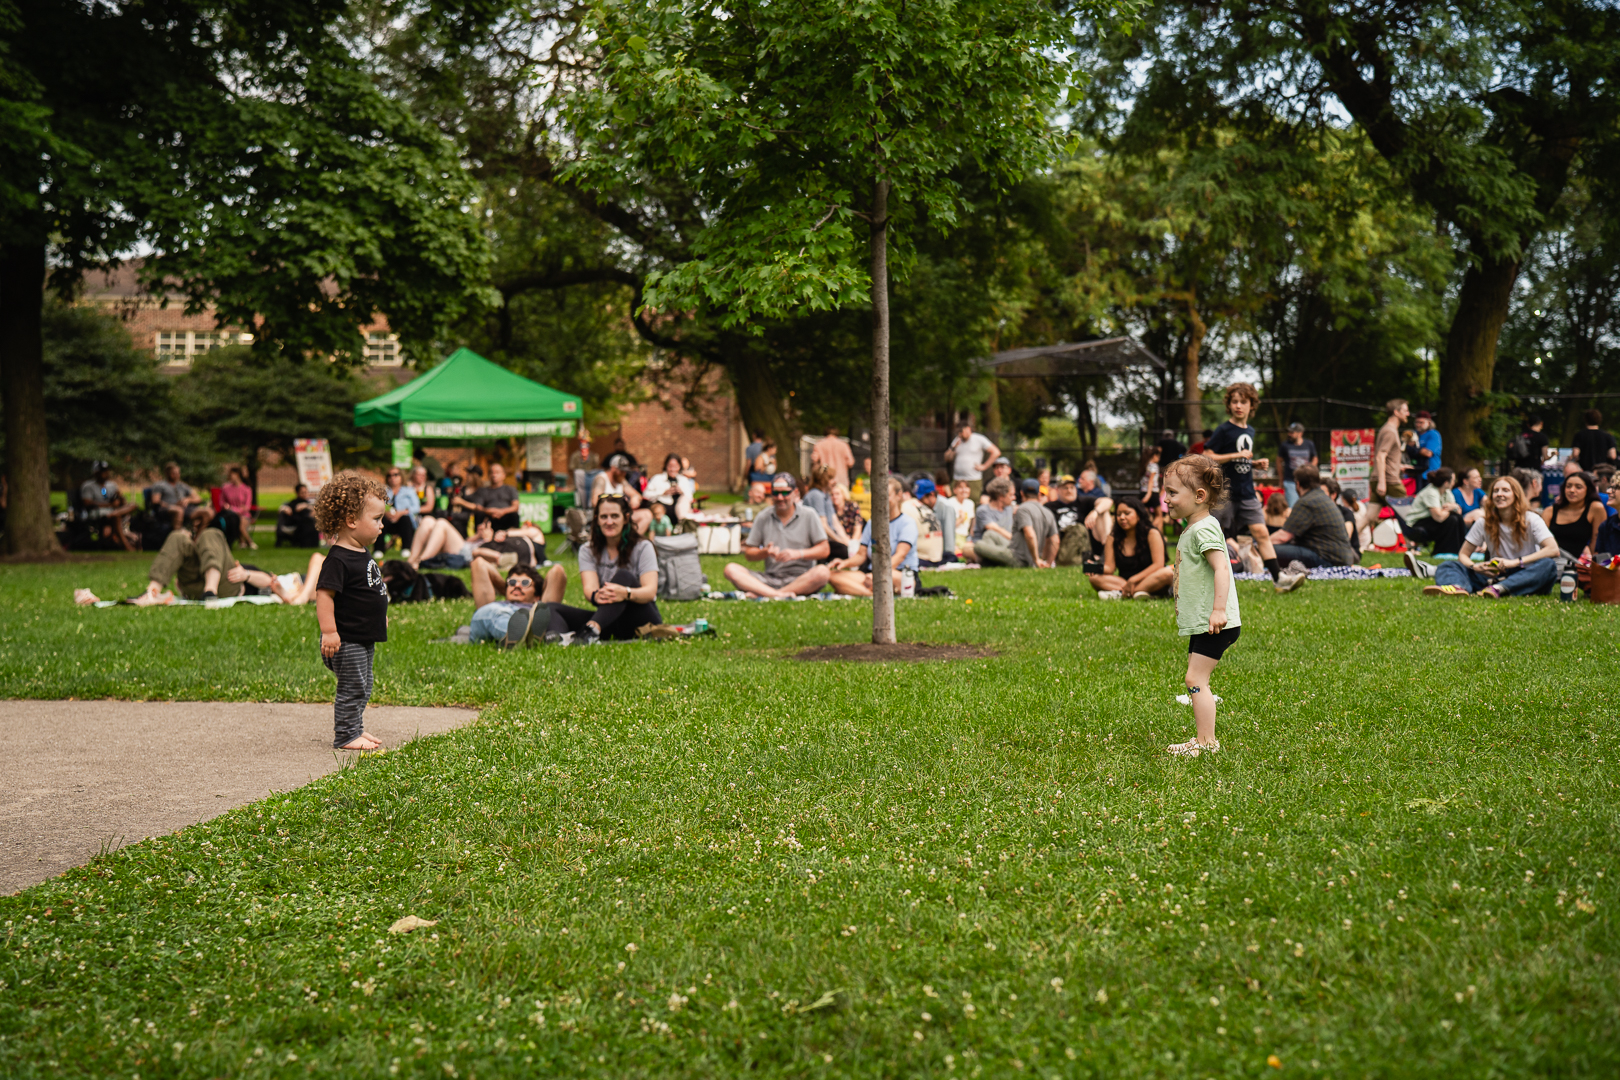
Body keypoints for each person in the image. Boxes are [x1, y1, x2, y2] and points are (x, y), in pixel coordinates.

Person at [1162, 455, 1239, 757]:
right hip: (1205, 621)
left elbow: (1222, 568)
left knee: (1195, 680)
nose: (1166, 499)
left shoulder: (1203, 529)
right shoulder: (1195, 527)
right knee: (1195, 679)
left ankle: (1207, 743)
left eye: (1171, 492)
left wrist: (1219, 610)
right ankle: (1203, 739)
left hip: (1215, 622)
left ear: (1199, 496)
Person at [312, 472, 391, 751]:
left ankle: (355, 728)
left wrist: (379, 613)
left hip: (363, 636)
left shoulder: (361, 552)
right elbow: (323, 595)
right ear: (352, 521)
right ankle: (346, 735)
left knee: (364, 686)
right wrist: (329, 632)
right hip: (345, 639)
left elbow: (368, 589)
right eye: (377, 519)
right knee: (353, 687)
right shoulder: (338, 558)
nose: (382, 525)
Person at [543, 495, 664, 644]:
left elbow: (650, 592)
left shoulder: (643, 547)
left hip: (642, 620)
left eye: (614, 516)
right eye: (604, 517)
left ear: (626, 518)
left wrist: (625, 593)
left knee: (624, 577)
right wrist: (597, 596)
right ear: (597, 519)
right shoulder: (588, 550)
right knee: (549, 608)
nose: (609, 522)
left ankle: (590, 631)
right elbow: (590, 590)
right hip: (609, 619)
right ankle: (560, 638)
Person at [1423, 476, 1558, 597]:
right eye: (1496, 491)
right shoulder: (1484, 522)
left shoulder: (1531, 519)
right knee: (1448, 565)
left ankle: (1500, 588)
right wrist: (1475, 567)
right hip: (1495, 575)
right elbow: (1463, 555)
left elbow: (1553, 549)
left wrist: (1516, 562)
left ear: (1516, 495)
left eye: (1505, 490)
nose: (1499, 494)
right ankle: (1457, 587)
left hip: (1526, 574)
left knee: (1548, 565)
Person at [1205, 382, 1283, 584]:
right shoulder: (1223, 430)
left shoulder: (1250, 431)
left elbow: (1241, 460)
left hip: (1247, 492)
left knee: (1261, 532)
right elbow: (1208, 455)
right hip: (1225, 493)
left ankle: (1279, 578)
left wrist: (1254, 463)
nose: (1238, 406)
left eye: (1243, 402)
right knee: (1212, 536)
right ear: (1229, 405)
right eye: (1234, 402)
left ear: (1252, 406)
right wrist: (1236, 455)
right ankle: (1204, 578)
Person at [724, 472, 832, 597]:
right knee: (731, 569)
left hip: (802, 578)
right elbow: (749, 553)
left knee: (823, 572)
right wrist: (765, 552)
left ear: (795, 492)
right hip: (769, 578)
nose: (780, 497)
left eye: (785, 493)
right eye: (776, 493)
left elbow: (824, 549)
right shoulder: (763, 517)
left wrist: (798, 554)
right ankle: (778, 594)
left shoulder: (809, 515)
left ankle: (770, 594)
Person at [830, 477, 918, 596]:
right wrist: (844, 563)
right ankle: (869, 593)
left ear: (899, 496)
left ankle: (857, 589)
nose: (882, 499)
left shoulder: (907, 523)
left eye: (887, 495)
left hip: (898, 573)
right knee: (831, 575)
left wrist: (879, 574)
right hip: (871, 574)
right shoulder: (872, 523)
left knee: (893, 579)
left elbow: (900, 556)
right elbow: (861, 554)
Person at [1269, 464, 1357, 581]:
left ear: (1298, 484)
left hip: (1327, 560)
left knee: (1268, 551)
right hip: (1341, 558)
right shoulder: (1322, 498)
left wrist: (1259, 544)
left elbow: (1283, 537)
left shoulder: (1306, 502)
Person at [467, 560, 568, 647]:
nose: (517, 585)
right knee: (495, 612)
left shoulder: (539, 611)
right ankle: (522, 636)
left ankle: (519, 636)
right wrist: (504, 588)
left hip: (529, 618)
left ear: (537, 596)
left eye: (525, 583)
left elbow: (557, 571)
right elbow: (478, 564)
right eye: (512, 582)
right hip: (488, 620)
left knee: (527, 620)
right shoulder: (495, 606)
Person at [1088, 497, 1172, 599]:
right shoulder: (1112, 537)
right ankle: (1138, 593)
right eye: (1118, 514)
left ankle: (1121, 594)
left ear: (1139, 515)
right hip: (1124, 582)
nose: (1122, 517)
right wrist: (1091, 567)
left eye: (1127, 513)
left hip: (1150, 579)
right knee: (1094, 578)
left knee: (1167, 573)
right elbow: (1109, 568)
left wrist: (1134, 579)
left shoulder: (1152, 533)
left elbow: (1158, 565)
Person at [1399, 467, 1467, 556]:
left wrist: (1454, 507)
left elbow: (1458, 511)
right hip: (1416, 525)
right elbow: (1438, 517)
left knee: (1457, 518)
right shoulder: (1431, 492)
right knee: (1452, 519)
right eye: (1453, 480)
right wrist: (1451, 508)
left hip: (1431, 521)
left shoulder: (1446, 492)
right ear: (1446, 483)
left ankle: (1462, 550)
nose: (1454, 483)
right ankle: (1441, 551)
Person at [1049, 473, 1114, 567]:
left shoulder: (1083, 501)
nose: (1069, 490)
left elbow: (1108, 501)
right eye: (1065, 488)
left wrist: (1095, 512)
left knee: (1103, 512)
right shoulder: (1050, 506)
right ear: (1057, 490)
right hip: (1061, 544)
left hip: (1085, 543)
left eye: (1072, 487)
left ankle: (1106, 554)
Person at [1542, 470, 1605, 561]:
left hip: (1578, 563)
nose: (1572, 490)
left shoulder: (1596, 508)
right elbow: (1540, 542)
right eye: (1568, 486)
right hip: (1550, 560)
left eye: (1578, 487)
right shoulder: (1550, 511)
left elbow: (1596, 541)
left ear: (1588, 490)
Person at [78, 460, 139, 551]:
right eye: (102, 471)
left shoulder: (112, 485)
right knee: (116, 517)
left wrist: (120, 499)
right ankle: (127, 546)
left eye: (106, 471)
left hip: (114, 510)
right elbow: (87, 503)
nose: (105, 473)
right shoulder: (88, 486)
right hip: (97, 512)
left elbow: (122, 500)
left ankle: (115, 514)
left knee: (133, 505)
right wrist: (109, 505)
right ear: (96, 472)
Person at [944, 419, 999, 502]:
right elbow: (947, 458)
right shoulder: (957, 440)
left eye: (961, 431)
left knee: (973, 502)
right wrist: (953, 448)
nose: (960, 434)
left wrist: (984, 466)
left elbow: (996, 452)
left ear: (968, 429)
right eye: (958, 432)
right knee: (955, 503)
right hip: (957, 479)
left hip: (973, 479)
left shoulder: (979, 439)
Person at [1010, 478, 1058, 568]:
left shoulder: (1022, 509)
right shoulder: (1048, 512)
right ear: (1039, 494)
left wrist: (1035, 560)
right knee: (992, 536)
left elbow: (1030, 535)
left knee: (981, 546)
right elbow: (1055, 540)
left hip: (1019, 558)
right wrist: (1048, 563)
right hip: (1033, 558)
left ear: (1021, 493)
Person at [971, 477, 1017, 566]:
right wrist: (1015, 541)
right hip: (987, 546)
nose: (1014, 497)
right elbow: (994, 529)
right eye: (1011, 495)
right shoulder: (983, 510)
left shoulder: (1009, 509)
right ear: (1001, 497)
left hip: (1006, 545)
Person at [378, 559, 471, 603]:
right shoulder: (393, 587)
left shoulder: (416, 584)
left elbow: (417, 599)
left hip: (448, 585)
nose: (384, 570)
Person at [1373, 398, 1411, 501]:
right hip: (1389, 480)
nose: (1408, 414)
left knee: (1371, 515)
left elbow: (1387, 457)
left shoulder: (1387, 429)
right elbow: (1380, 457)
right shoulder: (1390, 431)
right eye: (1405, 411)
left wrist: (1399, 465)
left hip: (1377, 479)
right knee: (1407, 515)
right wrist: (1382, 482)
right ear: (1396, 412)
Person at [642, 453, 697, 522]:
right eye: (670, 466)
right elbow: (645, 495)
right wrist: (663, 493)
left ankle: (682, 522)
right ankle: (683, 523)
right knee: (658, 508)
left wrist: (681, 492)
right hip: (664, 510)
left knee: (684, 500)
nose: (672, 469)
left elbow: (690, 498)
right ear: (665, 466)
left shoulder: (683, 480)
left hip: (680, 510)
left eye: (676, 466)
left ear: (680, 467)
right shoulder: (657, 478)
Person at [911, 477, 954, 564]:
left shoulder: (946, 507)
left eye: (921, 499)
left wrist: (947, 558)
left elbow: (948, 535)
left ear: (931, 495)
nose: (919, 502)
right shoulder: (920, 508)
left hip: (942, 555)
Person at [378, 466, 420, 556]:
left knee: (405, 519)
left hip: (403, 520)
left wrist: (401, 513)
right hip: (387, 520)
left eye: (395, 475)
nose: (392, 478)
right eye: (389, 475)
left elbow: (416, 507)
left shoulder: (409, 491)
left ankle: (406, 549)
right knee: (381, 520)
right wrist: (386, 513)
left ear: (401, 476)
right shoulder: (383, 491)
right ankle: (379, 549)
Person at [1321, 477, 1364, 561]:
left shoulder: (1345, 513)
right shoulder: (1318, 512)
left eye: (1322, 493)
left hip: (1348, 552)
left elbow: (1346, 538)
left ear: (1333, 495)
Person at [150, 462, 202, 531]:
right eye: (173, 473)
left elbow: (198, 498)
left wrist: (188, 500)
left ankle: (197, 538)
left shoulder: (182, 485)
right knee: (179, 511)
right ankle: (177, 536)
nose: (176, 475)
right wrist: (172, 505)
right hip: (167, 510)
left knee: (206, 512)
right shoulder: (160, 485)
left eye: (178, 473)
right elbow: (155, 501)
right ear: (167, 473)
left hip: (185, 509)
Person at [1276, 422, 1319, 506]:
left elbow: (1315, 458)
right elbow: (1278, 461)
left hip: (1306, 481)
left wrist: (1310, 469)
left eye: (1292, 432)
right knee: (1293, 506)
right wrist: (1281, 479)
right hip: (1290, 481)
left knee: (1308, 504)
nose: (1289, 434)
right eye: (1289, 432)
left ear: (1300, 433)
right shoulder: (1285, 445)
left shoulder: (1309, 444)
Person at [473, 462, 522, 530]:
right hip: (489, 517)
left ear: (503, 475)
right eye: (491, 472)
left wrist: (502, 511)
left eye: (497, 472)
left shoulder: (511, 489)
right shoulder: (483, 490)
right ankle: (479, 538)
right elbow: (478, 507)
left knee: (514, 515)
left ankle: (512, 536)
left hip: (506, 516)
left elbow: (515, 506)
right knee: (479, 514)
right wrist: (489, 511)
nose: (494, 475)